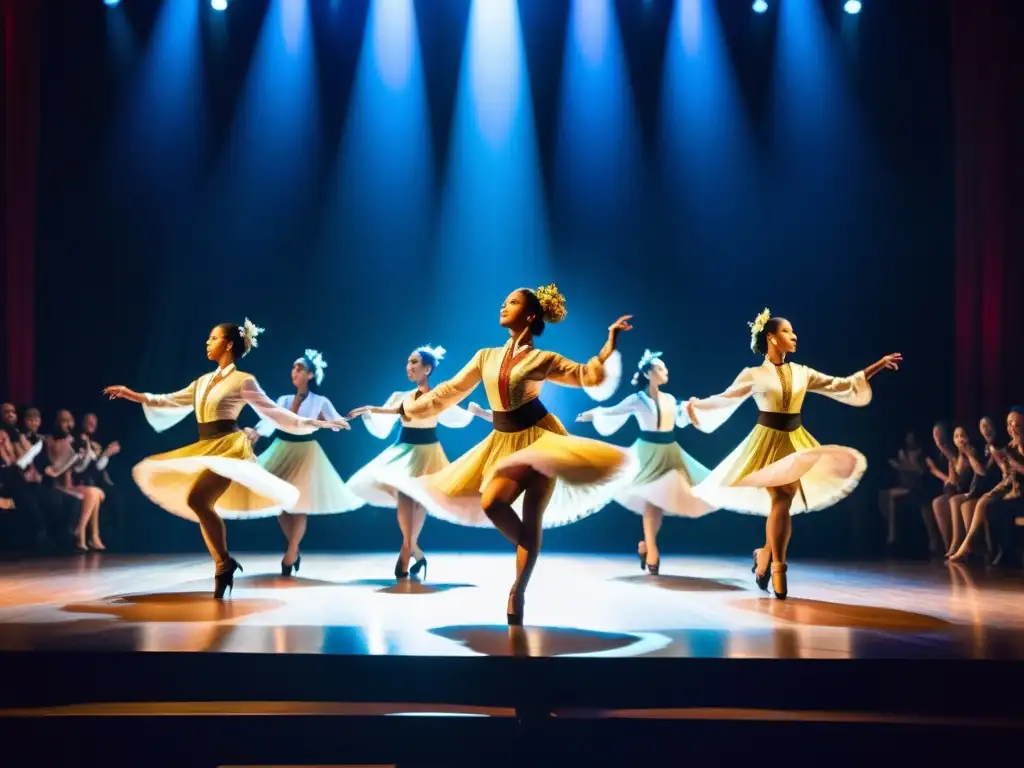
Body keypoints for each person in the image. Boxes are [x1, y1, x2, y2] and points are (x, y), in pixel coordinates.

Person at [376, 285, 633, 625]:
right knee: (493, 503)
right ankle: (528, 552)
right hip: (502, 440)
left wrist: (610, 341)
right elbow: (450, 390)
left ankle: (518, 590)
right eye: (504, 301)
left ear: (529, 316)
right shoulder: (486, 356)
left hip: (542, 439)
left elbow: (588, 375)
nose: (503, 305)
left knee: (531, 515)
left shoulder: (544, 359)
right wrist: (409, 407)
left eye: (511, 302)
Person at [104, 319, 348, 597]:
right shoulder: (203, 381)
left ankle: (223, 564)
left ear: (229, 344)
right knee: (198, 501)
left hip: (230, 448)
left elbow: (274, 413)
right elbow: (170, 400)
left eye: (213, 338)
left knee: (198, 500)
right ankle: (224, 562)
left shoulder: (244, 380)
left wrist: (317, 423)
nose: (207, 343)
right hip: (206, 446)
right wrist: (133, 395)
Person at [685, 309, 901, 599]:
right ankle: (778, 567)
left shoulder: (802, 372)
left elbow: (841, 384)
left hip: (796, 441)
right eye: (787, 331)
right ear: (771, 337)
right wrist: (697, 406)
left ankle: (764, 556)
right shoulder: (753, 374)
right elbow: (726, 399)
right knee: (781, 501)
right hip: (766, 443)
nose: (794, 335)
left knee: (783, 504)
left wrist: (877, 366)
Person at [347, 344, 489, 579]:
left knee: (421, 500)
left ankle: (411, 549)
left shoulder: (438, 396)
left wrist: (473, 413)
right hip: (404, 451)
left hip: (429, 452)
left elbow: (456, 416)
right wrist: (369, 412)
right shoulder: (400, 396)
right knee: (405, 494)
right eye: (408, 362)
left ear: (427, 368)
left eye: (414, 363)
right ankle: (410, 548)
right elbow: (385, 419)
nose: (409, 367)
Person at [577, 349, 713, 575]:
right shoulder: (637, 399)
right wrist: (593, 414)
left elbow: (679, 421)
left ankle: (647, 545)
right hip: (646, 453)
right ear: (649, 373)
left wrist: (689, 409)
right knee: (652, 498)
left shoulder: (670, 399)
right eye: (660, 368)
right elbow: (613, 411)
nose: (665, 371)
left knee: (658, 501)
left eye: (664, 368)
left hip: (669, 453)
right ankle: (651, 548)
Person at [245, 350, 364, 577]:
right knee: (280, 501)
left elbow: (335, 420)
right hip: (281, 448)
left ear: (310, 375)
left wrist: (347, 420)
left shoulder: (320, 401)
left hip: (305, 452)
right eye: (293, 368)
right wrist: (257, 432)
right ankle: (295, 547)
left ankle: (291, 551)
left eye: (300, 368)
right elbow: (271, 420)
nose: (295, 372)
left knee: (299, 504)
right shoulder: (283, 400)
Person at [949, 408, 1023, 564]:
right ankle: (969, 545)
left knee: (994, 507)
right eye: (1009, 424)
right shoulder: (1009, 447)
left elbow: (988, 472)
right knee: (985, 502)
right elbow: (1008, 476)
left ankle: (990, 550)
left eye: (1016, 424)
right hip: (1013, 490)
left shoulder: (1008, 447)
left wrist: (1015, 468)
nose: (1012, 428)